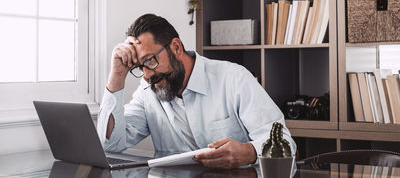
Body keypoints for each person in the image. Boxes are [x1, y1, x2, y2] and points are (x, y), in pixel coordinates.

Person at [97, 14, 296, 169]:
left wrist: (251, 151)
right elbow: (111, 144)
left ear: (176, 47)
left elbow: (286, 144)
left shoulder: (233, 78)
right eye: (141, 67)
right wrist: (117, 75)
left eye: (150, 61)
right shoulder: (148, 90)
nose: (147, 75)